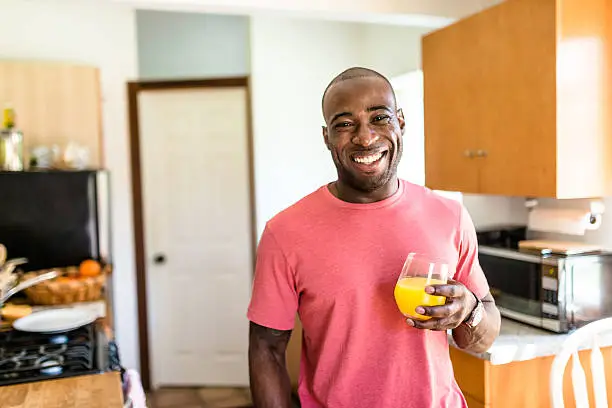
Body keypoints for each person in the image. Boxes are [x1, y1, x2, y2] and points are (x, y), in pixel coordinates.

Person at [247, 67, 501, 408]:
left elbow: (481, 338)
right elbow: (266, 348)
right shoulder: (284, 232)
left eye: (379, 117)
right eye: (344, 124)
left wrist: (468, 309)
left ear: (401, 122)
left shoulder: (449, 215)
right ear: (326, 137)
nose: (365, 138)